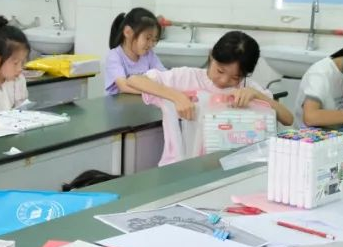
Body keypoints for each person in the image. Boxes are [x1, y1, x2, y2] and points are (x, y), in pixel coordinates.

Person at [126, 31, 293, 165]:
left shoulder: (248, 88)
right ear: (211, 56)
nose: (224, 80)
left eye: (235, 77)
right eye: (220, 71)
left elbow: (288, 119)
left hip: (229, 167)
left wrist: (257, 95)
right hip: (178, 167)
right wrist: (177, 97)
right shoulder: (186, 77)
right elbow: (134, 80)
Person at [105, 8, 166, 95]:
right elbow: (124, 86)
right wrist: (156, 92)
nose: (151, 44)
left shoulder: (149, 55)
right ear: (128, 32)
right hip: (119, 103)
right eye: (147, 38)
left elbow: (164, 76)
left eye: (153, 40)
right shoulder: (114, 56)